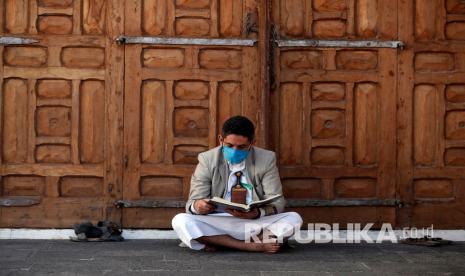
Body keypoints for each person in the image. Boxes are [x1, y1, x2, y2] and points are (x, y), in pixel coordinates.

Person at [172, 116, 303, 253]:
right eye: (229, 146)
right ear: (220, 140)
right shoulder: (207, 159)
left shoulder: (266, 159)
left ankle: (221, 243)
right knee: (180, 220)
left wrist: (257, 213)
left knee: (293, 218)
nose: (235, 150)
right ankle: (248, 245)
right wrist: (198, 206)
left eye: (241, 147)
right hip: (218, 221)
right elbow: (192, 203)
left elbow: (278, 201)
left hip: (253, 222)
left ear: (252, 143)